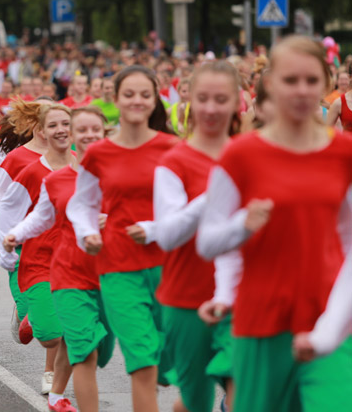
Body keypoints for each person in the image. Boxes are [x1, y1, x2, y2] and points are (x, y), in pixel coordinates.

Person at [197, 35, 352, 412]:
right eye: (290, 80)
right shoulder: (240, 155)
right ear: (270, 84)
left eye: (311, 80)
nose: (301, 90)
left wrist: (329, 331)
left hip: (329, 317)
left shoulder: (344, 154)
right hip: (261, 320)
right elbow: (208, 241)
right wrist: (243, 226)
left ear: (326, 83)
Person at [129, 61, 243, 412]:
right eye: (203, 98)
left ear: (237, 101)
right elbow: (168, 236)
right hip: (186, 296)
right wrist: (214, 195)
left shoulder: (250, 155)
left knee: (243, 387)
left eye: (221, 99)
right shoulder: (175, 161)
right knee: (195, 402)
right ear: (190, 99)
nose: (211, 108)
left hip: (242, 295)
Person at [68, 65, 176, 412]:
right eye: (129, 94)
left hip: (168, 265)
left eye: (145, 94)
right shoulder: (100, 153)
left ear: (155, 99)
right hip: (118, 267)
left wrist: (155, 229)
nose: (137, 101)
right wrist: (87, 232)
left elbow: (190, 206)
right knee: (142, 361)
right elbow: (81, 203)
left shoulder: (173, 148)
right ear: (115, 98)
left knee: (169, 358)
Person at [4, 107, 113, 412]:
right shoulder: (55, 180)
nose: (89, 135)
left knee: (97, 348)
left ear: (105, 134)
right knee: (79, 345)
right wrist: (15, 235)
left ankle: (56, 394)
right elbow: (40, 216)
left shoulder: (118, 173)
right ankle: (60, 396)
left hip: (107, 271)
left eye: (95, 130)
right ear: (74, 136)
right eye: (82, 130)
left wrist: (114, 221)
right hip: (69, 270)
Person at [0, 104, 76, 405]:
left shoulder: (82, 165)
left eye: (66, 124)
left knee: (74, 329)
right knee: (51, 335)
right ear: (41, 130)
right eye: (52, 125)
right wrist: (7, 246)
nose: (60, 130)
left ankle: (55, 388)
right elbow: (5, 207)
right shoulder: (30, 169)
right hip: (37, 257)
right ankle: (30, 318)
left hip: (74, 260)